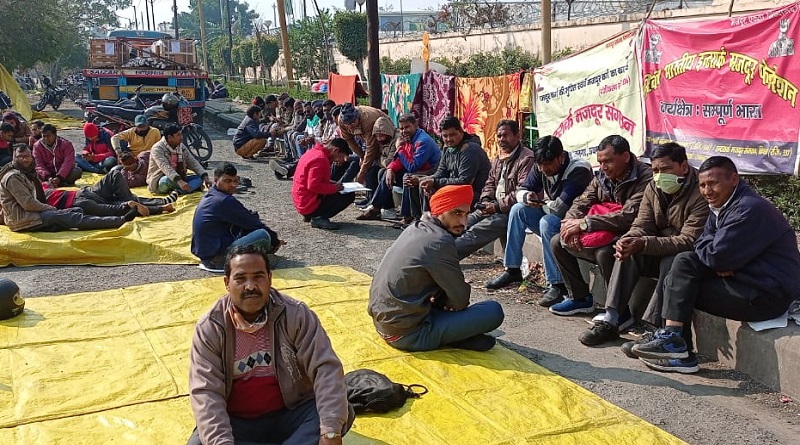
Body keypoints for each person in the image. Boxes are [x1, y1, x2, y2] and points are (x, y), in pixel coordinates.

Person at [631, 156, 800, 374]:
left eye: (713, 183)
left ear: (734, 179)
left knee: (680, 279)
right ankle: (673, 343)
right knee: (681, 266)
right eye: (702, 185)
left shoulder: (748, 209)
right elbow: (703, 243)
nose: (707, 190)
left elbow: (716, 257)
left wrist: (715, 254)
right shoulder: (722, 206)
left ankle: (675, 346)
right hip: (744, 281)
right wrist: (713, 252)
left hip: (767, 295)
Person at [187, 244, 354, 445]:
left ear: (270, 279)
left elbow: (325, 369)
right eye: (240, 278)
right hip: (238, 422)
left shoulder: (296, 315)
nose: (250, 286)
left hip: (291, 413)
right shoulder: (211, 327)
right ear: (226, 283)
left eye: (258, 276)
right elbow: (206, 392)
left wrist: (330, 433)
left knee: (334, 417)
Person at [578, 143, 709, 346]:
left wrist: (644, 242)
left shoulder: (701, 191)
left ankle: (660, 331)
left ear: (683, 167)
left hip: (686, 255)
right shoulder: (654, 186)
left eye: (666, 169)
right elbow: (642, 223)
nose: (659, 175)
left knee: (672, 261)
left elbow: (688, 240)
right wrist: (630, 239)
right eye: (656, 170)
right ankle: (612, 319)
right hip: (656, 247)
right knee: (626, 249)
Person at [368, 184, 505, 352]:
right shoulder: (439, 242)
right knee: (493, 311)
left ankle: (452, 335)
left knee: (445, 297)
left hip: (385, 323)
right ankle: (447, 337)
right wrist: (446, 302)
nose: (463, 221)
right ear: (440, 211)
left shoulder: (416, 228)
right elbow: (460, 299)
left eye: (466, 214)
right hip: (407, 334)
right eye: (456, 213)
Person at [548, 135, 653, 316]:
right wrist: (570, 225)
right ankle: (579, 298)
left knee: (606, 253)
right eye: (600, 162)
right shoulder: (602, 177)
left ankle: (618, 311)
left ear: (626, 157)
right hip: (600, 231)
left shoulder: (645, 177)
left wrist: (584, 224)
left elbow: (629, 216)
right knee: (557, 241)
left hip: (632, 233)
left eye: (608, 161)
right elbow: (581, 202)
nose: (603, 167)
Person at [485, 136, 593, 304]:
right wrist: (527, 197)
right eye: (540, 164)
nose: (543, 169)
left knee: (547, 222)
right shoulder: (540, 166)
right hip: (555, 217)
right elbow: (522, 190)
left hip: (576, 224)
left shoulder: (578, 170)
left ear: (561, 157)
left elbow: (560, 208)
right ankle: (512, 269)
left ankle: (557, 284)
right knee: (518, 209)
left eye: (548, 164)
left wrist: (539, 202)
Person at [0, 144, 132, 232]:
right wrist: (51, 208)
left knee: (78, 209)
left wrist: (58, 177)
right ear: (14, 158)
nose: (25, 160)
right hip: (24, 220)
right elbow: (28, 203)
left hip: (39, 208)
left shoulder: (28, 173)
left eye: (27, 156)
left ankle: (126, 207)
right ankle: (120, 220)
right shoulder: (13, 177)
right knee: (73, 216)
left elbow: (69, 161)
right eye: (21, 157)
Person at [454, 120, 535, 259]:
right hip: (493, 206)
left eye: (505, 135)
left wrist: (496, 206)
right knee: (462, 223)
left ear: (517, 136)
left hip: (511, 211)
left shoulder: (526, 158)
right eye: (499, 136)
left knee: (475, 233)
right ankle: (439, 252)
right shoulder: (500, 157)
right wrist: (485, 200)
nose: (501, 140)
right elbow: (490, 182)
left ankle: (444, 258)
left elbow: (521, 192)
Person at [192, 163, 283, 272]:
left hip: (207, 255)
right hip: (216, 261)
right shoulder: (224, 201)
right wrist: (275, 240)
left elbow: (245, 218)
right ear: (216, 180)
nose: (233, 185)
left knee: (247, 226)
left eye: (235, 181)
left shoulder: (212, 194)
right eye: (227, 181)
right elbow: (253, 223)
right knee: (263, 234)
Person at [357, 114, 439, 221]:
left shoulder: (423, 141)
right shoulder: (408, 138)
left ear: (415, 125)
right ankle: (377, 208)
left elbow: (412, 166)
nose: (404, 131)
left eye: (407, 127)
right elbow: (400, 160)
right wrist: (390, 169)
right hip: (417, 169)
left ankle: (407, 216)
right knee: (383, 172)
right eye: (401, 128)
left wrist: (399, 148)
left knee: (407, 177)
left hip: (430, 172)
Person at [419, 116, 490, 211]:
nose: (448, 139)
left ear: (461, 132)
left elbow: (464, 182)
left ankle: (438, 222)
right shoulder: (448, 148)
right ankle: (425, 219)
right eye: (445, 136)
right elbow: (441, 172)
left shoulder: (470, 150)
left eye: (452, 135)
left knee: (439, 193)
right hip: (456, 188)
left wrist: (435, 182)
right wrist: (429, 180)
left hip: (475, 193)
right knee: (425, 186)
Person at [291, 138, 355, 230]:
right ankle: (319, 217)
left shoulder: (313, 152)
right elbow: (313, 185)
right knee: (348, 195)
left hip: (302, 200)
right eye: (340, 156)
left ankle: (312, 215)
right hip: (308, 203)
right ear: (335, 150)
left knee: (337, 189)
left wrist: (332, 184)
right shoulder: (321, 159)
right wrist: (335, 188)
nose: (339, 160)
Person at [337, 103, 394, 186]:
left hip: (382, 140)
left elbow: (371, 148)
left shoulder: (368, 120)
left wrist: (363, 171)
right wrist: (361, 156)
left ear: (357, 117)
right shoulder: (341, 121)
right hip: (366, 143)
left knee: (371, 170)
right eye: (347, 124)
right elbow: (349, 140)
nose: (350, 126)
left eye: (352, 123)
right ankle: (339, 187)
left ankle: (370, 196)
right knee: (354, 163)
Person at [147, 124, 212, 195]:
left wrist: (205, 176)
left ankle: (181, 191)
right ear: (170, 137)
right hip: (161, 180)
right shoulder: (157, 148)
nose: (181, 137)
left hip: (181, 179)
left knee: (200, 178)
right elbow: (165, 167)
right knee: (166, 180)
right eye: (178, 135)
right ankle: (190, 188)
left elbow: (192, 162)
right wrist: (178, 180)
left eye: (181, 134)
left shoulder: (181, 146)